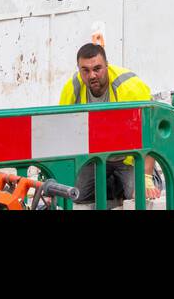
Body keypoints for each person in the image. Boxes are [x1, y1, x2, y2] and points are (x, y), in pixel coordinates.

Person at [59, 43, 160, 206]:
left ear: (107, 66)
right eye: (85, 70)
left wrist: (146, 177)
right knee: (73, 194)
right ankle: (112, 184)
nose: (92, 75)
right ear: (79, 70)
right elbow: (62, 131)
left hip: (131, 158)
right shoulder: (73, 89)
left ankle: (149, 178)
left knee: (140, 195)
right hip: (96, 158)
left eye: (97, 69)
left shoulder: (129, 87)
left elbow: (150, 133)